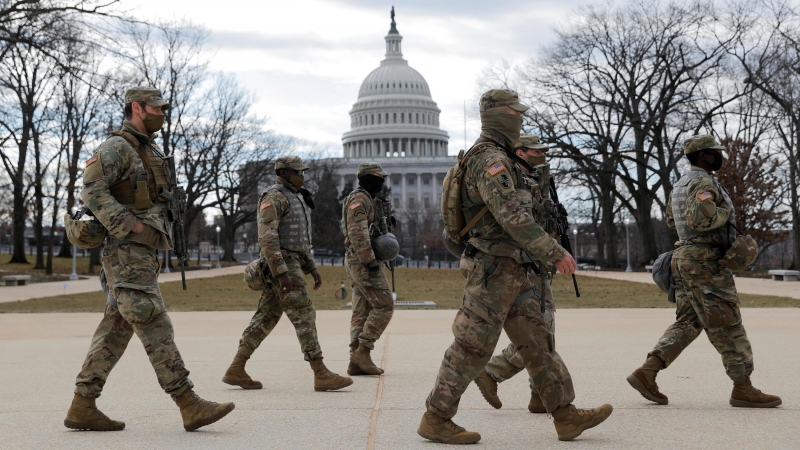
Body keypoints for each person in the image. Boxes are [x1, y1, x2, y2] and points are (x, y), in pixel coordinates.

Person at [418, 90, 612, 445]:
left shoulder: (501, 156)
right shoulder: (489, 160)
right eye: (514, 111)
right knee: (472, 346)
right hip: (493, 270)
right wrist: (554, 252)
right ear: (496, 115)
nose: (520, 117)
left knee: (538, 342)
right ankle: (436, 417)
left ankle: (566, 416)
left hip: (514, 267)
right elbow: (512, 217)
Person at [65, 87, 234, 432]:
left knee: (115, 329)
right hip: (127, 251)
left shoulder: (149, 148)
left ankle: (82, 406)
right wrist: (132, 225)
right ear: (136, 108)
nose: (162, 113)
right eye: (155, 108)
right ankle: (189, 403)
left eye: (164, 107)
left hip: (144, 252)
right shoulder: (116, 147)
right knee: (153, 321)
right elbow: (92, 190)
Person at [627, 134, 781, 408]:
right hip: (705, 262)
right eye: (714, 152)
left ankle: (647, 372)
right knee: (728, 323)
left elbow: (673, 221)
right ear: (702, 156)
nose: (719, 157)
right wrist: (722, 210)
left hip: (686, 258)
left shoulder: (679, 184)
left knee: (689, 321)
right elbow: (703, 220)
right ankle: (743, 388)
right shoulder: (702, 183)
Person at [222, 156, 352, 392]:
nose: (302, 176)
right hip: (282, 265)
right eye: (298, 172)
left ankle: (236, 368)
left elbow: (299, 240)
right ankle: (320, 373)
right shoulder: (274, 197)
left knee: (266, 317)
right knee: (304, 313)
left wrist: (311, 267)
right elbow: (268, 238)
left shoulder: (295, 196)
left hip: (292, 262)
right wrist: (281, 272)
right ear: (284, 173)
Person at [472, 134, 572, 415]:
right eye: (537, 151)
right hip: (526, 265)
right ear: (521, 152)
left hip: (539, 265)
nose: (543, 155)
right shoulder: (514, 182)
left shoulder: (539, 183)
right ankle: (492, 371)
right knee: (542, 330)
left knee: (544, 328)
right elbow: (518, 223)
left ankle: (539, 395)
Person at [341, 162, 394, 376]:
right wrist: (369, 260)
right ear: (371, 178)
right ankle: (363, 351)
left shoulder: (367, 199)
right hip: (362, 261)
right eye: (380, 178)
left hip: (358, 260)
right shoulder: (359, 199)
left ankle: (356, 360)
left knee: (361, 309)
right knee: (384, 306)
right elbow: (357, 232)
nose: (383, 182)